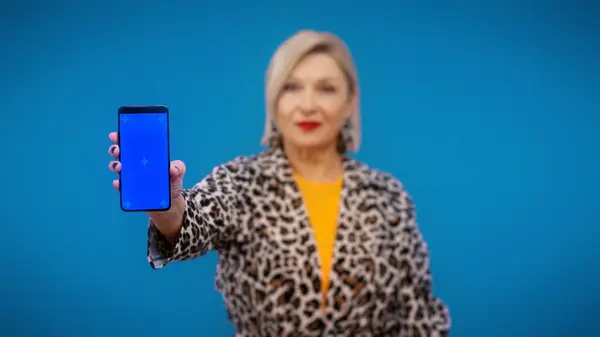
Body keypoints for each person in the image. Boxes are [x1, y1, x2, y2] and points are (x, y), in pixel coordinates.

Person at [107, 30, 451, 337]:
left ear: (350, 100)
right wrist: (166, 204)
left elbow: (418, 318)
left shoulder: (388, 197)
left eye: (326, 89)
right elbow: (192, 223)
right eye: (291, 87)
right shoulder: (242, 183)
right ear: (274, 99)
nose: (307, 105)